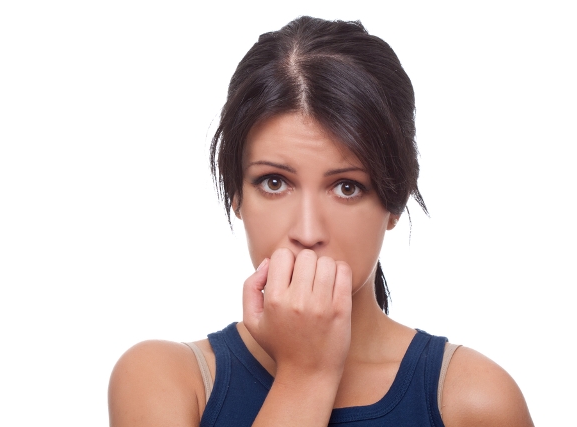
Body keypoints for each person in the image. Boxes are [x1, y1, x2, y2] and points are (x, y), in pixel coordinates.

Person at [108, 16, 534, 426]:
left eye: (347, 187)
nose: (308, 233)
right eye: (274, 182)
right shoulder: (163, 380)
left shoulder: (472, 400)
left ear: (395, 201)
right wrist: (306, 373)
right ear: (236, 194)